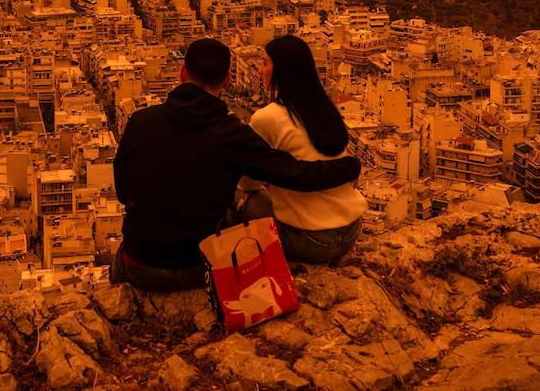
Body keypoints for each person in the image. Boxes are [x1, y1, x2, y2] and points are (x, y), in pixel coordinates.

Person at [112, 37, 363, 291]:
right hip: (201, 267)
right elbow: (298, 174)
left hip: (139, 266)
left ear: (182, 73)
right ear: (227, 80)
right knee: (236, 197)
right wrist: (349, 167)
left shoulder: (140, 122)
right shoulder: (233, 135)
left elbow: (124, 193)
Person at [238, 35, 367, 265]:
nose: (260, 69)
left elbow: (248, 181)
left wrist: (254, 187)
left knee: (238, 196)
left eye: (266, 63)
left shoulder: (266, 118)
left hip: (311, 241)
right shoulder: (326, 109)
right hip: (351, 231)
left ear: (282, 71)